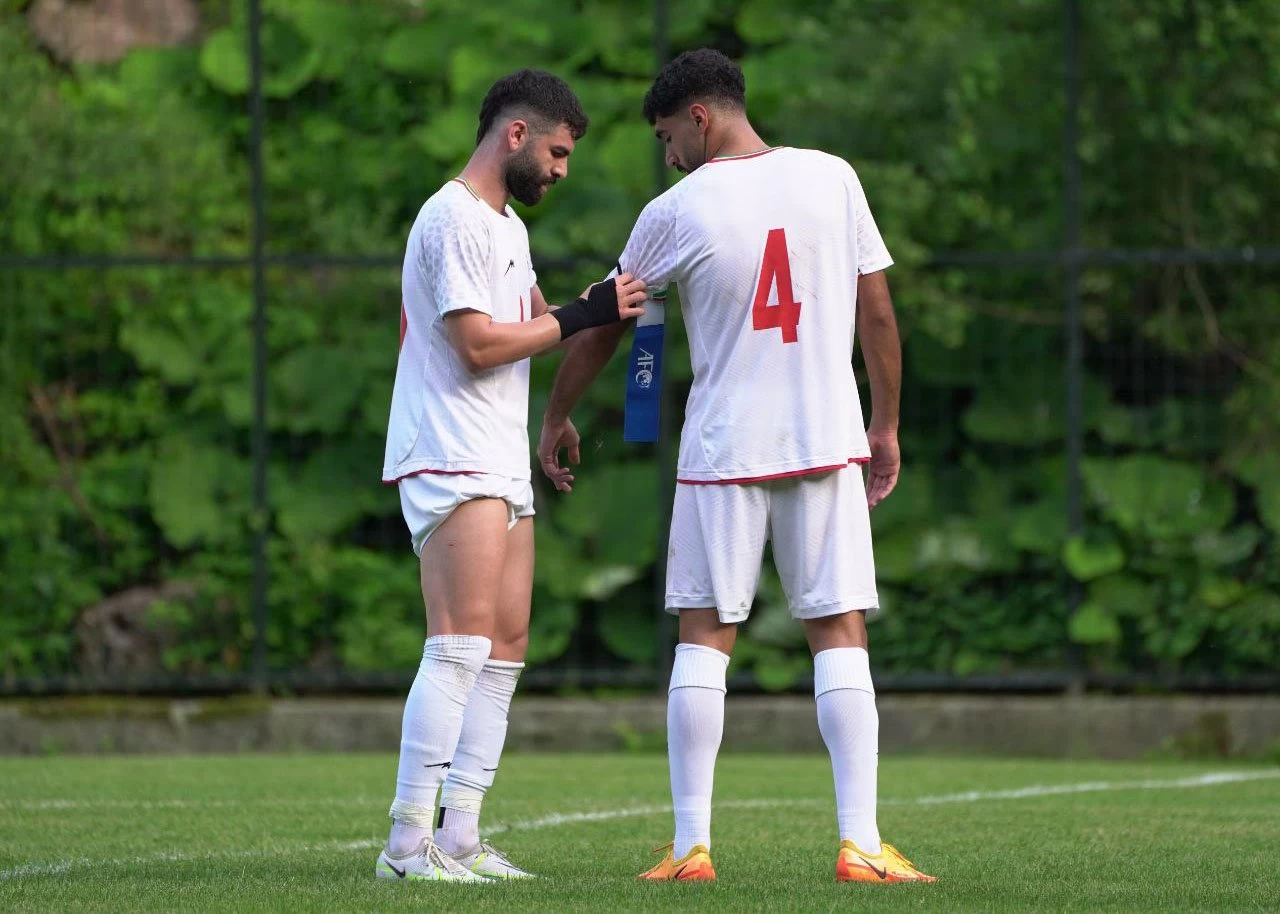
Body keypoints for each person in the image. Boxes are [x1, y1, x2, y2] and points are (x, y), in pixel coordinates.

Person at [537, 49, 935, 884]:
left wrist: (559, 412)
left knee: (704, 639)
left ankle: (690, 849)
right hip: (826, 439)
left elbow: (607, 324)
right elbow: (878, 311)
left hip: (724, 451)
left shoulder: (675, 210)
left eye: (666, 136)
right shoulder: (834, 178)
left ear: (700, 118)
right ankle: (860, 844)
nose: (667, 154)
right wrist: (885, 424)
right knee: (839, 629)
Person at [377, 69, 646, 883]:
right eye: (559, 152)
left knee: (504, 647)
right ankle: (403, 845)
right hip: (451, 449)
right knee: (457, 644)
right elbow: (479, 344)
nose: (562, 171)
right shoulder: (451, 216)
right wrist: (579, 315)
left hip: (497, 454)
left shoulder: (506, 229)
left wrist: (606, 305)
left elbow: (541, 328)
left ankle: (459, 836)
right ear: (517, 136)